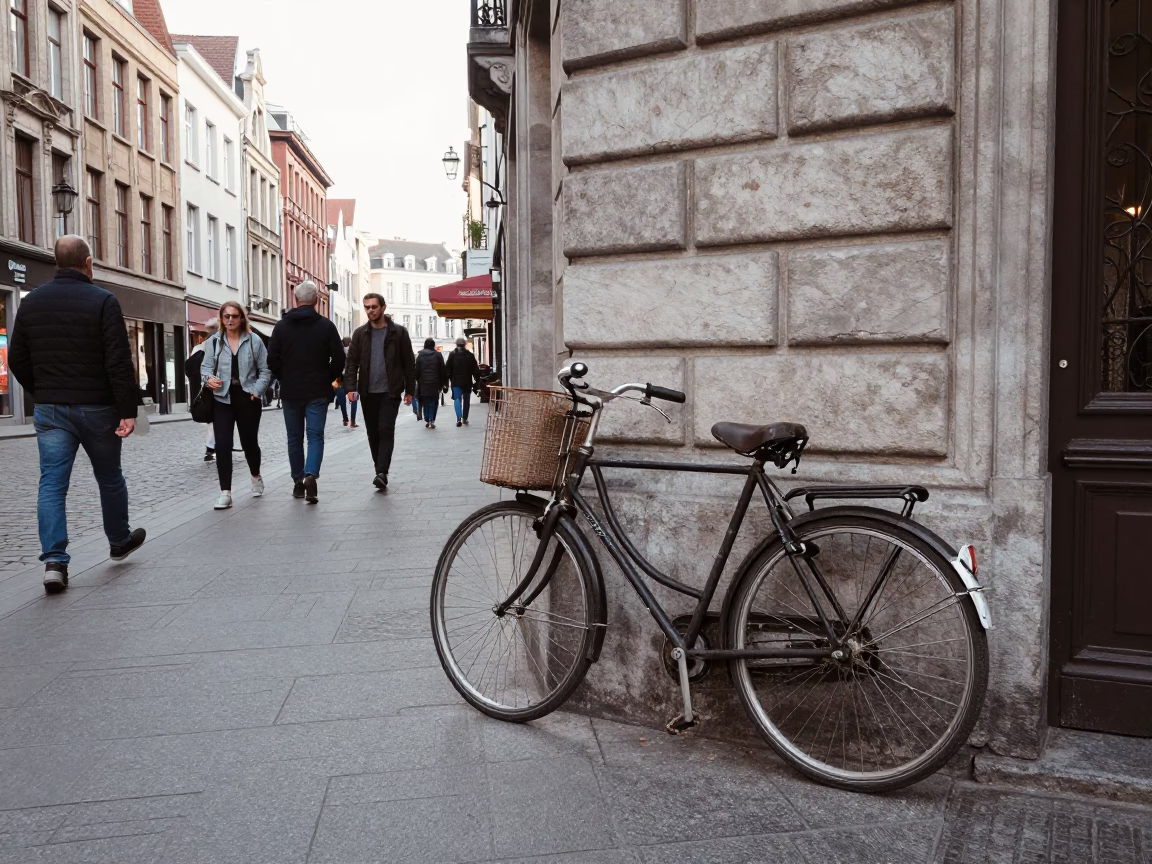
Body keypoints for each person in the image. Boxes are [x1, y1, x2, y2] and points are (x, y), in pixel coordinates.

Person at [7, 235, 147, 594]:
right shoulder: (103, 301)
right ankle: (118, 540)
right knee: (109, 476)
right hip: (97, 407)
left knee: (52, 484)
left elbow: (17, 357)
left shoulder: (31, 302)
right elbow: (118, 360)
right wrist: (128, 411)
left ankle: (54, 562)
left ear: (55, 263)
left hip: (51, 409)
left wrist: (43, 391)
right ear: (88, 264)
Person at [268, 281, 346, 503]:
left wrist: (286, 375)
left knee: (294, 438)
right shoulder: (326, 326)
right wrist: (327, 375)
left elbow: (271, 359)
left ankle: (297, 481)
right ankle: (311, 473)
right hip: (318, 389)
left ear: (295, 300)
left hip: (291, 391)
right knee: (315, 435)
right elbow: (339, 358)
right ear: (316, 301)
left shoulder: (281, 327)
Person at [201, 302, 271, 510]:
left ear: (242, 318)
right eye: (226, 316)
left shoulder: (254, 341)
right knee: (222, 445)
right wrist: (208, 380)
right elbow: (205, 369)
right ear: (222, 319)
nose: (230, 320)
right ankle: (226, 492)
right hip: (221, 397)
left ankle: (256, 475)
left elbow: (265, 370)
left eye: (234, 316)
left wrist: (257, 390)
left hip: (247, 396)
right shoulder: (213, 342)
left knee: (249, 442)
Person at [343, 293, 415, 490]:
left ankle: (382, 471)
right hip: (367, 391)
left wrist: (410, 390)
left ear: (383, 307)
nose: (370, 310)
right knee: (373, 432)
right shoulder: (360, 334)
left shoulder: (398, 333)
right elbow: (351, 363)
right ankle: (379, 470)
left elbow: (409, 362)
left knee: (385, 429)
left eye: (374, 307)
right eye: (367, 307)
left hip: (390, 391)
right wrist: (350, 387)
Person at [185, 319, 219, 461]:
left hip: (201, 389)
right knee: (216, 419)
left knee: (213, 420)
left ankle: (212, 447)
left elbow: (189, 370)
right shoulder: (217, 346)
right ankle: (212, 448)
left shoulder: (198, 348)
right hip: (213, 388)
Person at [444, 336, 480, 428]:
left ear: (456, 344)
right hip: (467, 382)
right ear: (464, 344)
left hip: (456, 382)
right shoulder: (470, 355)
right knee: (466, 400)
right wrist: (477, 380)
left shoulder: (452, 355)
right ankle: (465, 418)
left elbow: (447, 369)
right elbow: (475, 369)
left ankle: (458, 418)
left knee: (457, 399)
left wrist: (447, 381)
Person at [415, 338, 448, 429]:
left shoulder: (420, 355)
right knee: (434, 401)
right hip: (435, 382)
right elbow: (442, 370)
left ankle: (427, 419)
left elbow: (417, 370)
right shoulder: (438, 355)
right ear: (433, 345)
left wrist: (418, 380)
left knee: (426, 401)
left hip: (424, 382)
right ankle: (431, 420)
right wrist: (443, 383)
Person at [333, 337, 358, 428]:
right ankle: (353, 421)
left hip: (338, 378)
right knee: (354, 400)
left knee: (341, 399)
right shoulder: (355, 352)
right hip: (352, 378)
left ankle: (345, 418)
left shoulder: (338, 352)